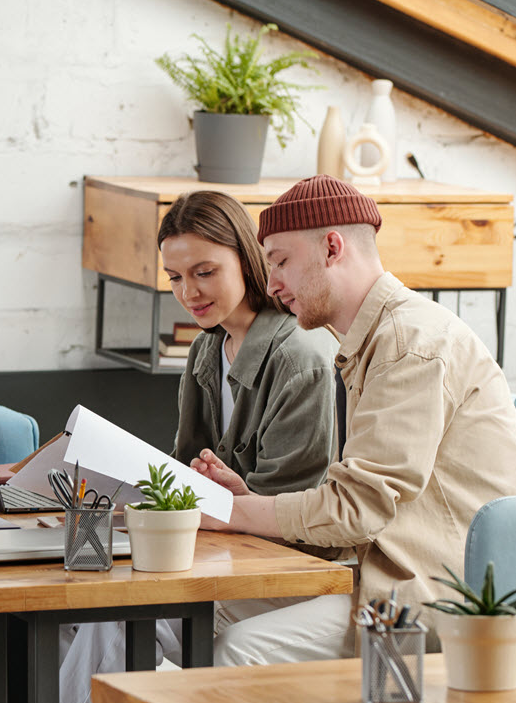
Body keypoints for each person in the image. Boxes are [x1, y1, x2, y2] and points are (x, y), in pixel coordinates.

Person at [193, 174, 516, 663]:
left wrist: (235, 513)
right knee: (193, 610)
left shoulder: (410, 345)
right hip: (371, 576)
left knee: (242, 647)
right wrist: (251, 503)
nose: (272, 283)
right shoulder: (368, 346)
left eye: (280, 261)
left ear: (332, 247)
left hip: (428, 598)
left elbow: (356, 509)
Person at [59, 191, 338, 702]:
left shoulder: (299, 359)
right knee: (71, 608)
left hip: (287, 571)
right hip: (223, 554)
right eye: (175, 277)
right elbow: (180, 475)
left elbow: (297, 529)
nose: (189, 291)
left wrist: (227, 499)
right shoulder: (208, 348)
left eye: (205, 272)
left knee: (112, 616)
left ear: (247, 258)